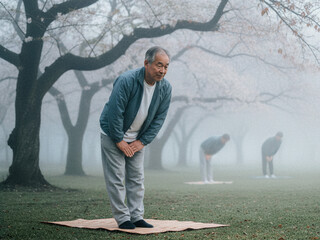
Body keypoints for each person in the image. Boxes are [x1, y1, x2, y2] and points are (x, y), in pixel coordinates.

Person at [100, 46, 171, 229]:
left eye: (166, 66)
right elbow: (115, 113)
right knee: (116, 178)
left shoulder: (166, 88)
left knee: (137, 178)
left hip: (137, 139)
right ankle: (123, 218)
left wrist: (141, 142)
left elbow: (159, 119)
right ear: (146, 63)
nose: (162, 70)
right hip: (113, 135)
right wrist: (119, 141)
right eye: (158, 65)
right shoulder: (126, 81)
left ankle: (136, 216)